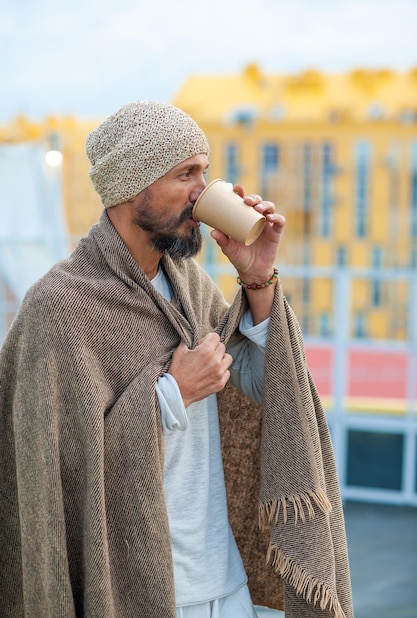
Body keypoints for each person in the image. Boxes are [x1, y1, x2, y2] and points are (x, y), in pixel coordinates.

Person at [0, 102, 353, 618]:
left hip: (226, 585)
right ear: (131, 186)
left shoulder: (190, 284)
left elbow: (258, 387)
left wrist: (257, 277)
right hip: (135, 591)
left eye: (204, 173)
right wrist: (172, 393)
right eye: (185, 174)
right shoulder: (60, 307)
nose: (203, 192)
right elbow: (51, 473)